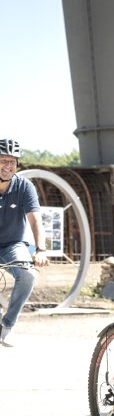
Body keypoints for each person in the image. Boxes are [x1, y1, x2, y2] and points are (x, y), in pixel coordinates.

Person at [0, 139, 49, 346]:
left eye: (12, 161)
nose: (7, 166)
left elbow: (35, 219)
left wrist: (40, 249)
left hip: (13, 244)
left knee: (28, 275)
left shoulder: (24, 186)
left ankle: (7, 325)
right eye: (3, 160)